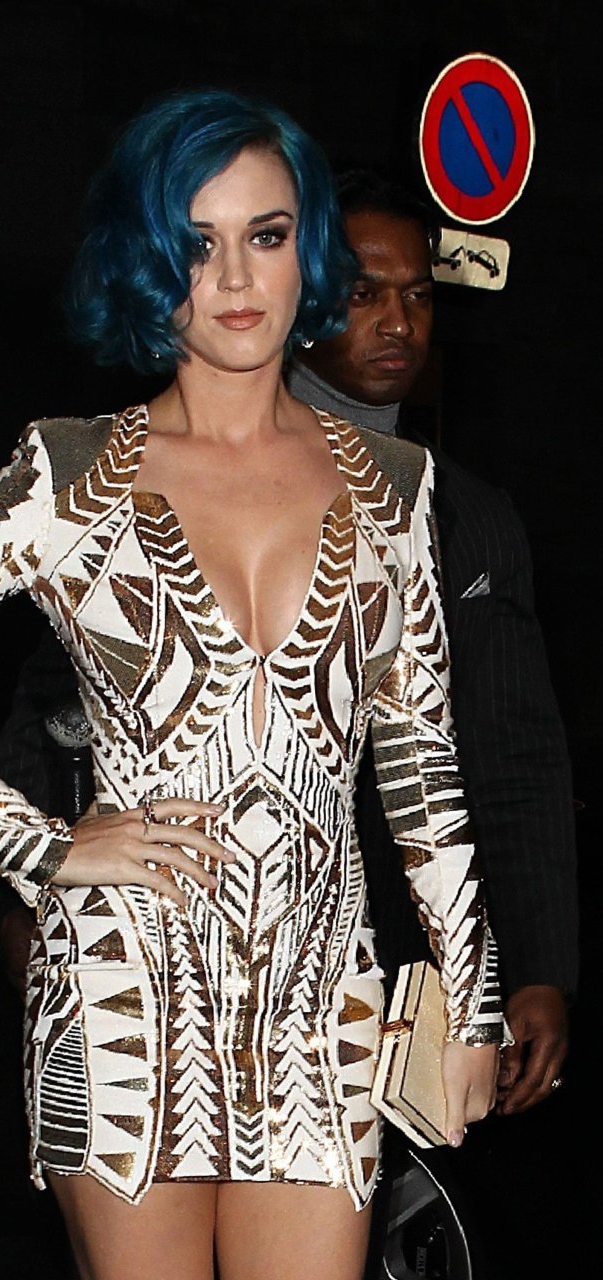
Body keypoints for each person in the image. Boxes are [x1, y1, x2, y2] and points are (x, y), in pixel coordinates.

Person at [0, 90, 502, 1280]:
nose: (232, 275)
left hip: (317, 1006)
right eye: (195, 241)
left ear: (307, 248)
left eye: (265, 234)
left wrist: (471, 998)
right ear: (145, 256)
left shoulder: (393, 482)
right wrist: (43, 845)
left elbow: (420, 762)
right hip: (121, 993)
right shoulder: (69, 472)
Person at [287, 171, 578, 1116]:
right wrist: (27, 897)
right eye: (362, 293)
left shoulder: (469, 514)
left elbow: (513, 750)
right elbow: (69, 705)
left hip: (415, 960)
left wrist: (537, 966)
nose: (397, 322)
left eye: (416, 296)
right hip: (219, 952)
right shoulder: (199, 483)